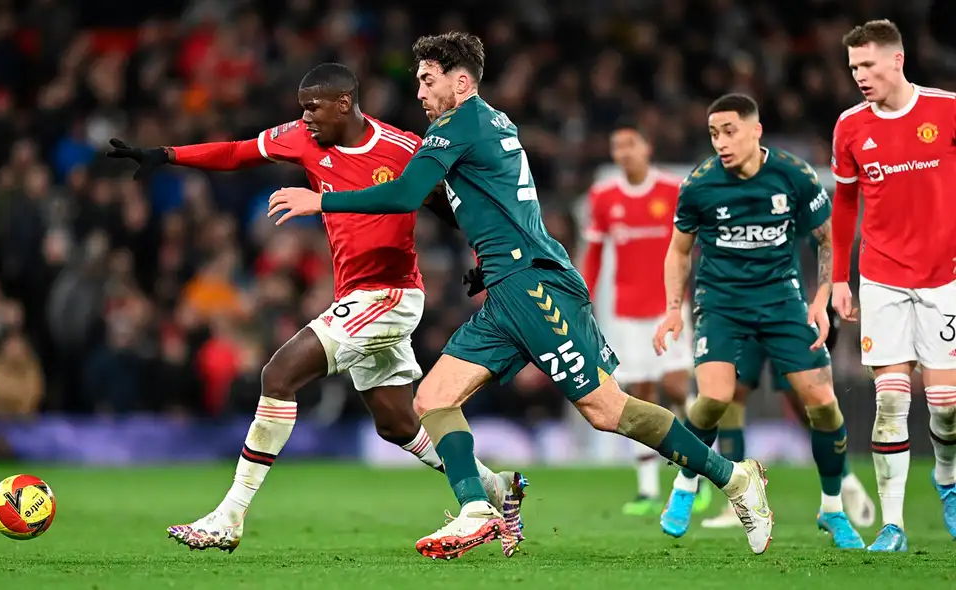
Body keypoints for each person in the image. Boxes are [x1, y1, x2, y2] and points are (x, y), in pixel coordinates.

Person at [268, 32, 773, 561]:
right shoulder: (485, 123)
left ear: (460, 82)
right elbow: (494, 203)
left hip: (534, 286)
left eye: (427, 79)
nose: (418, 91)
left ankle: (735, 478)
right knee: (433, 398)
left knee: (606, 410)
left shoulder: (459, 124)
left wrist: (320, 200)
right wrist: (486, 263)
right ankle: (476, 509)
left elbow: (403, 194)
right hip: (509, 286)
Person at [106, 63, 526, 555]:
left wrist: (485, 255)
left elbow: (450, 206)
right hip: (356, 295)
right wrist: (168, 154)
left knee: (278, 374)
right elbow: (238, 152)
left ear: (344, 103)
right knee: (395, 423)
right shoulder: (302, 139)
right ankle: (499, 488)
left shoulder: (404, 147)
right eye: (301, 108)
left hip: (389, 293)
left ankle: (230, 515)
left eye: (313, 108)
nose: (303, 118)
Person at [653, 93, 863, 549]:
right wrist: (673, 307)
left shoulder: (794, 175)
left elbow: (825, 239)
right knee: (712, 400)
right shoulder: (700, 185)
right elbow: (679, 250)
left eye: (729, 131)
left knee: (824, 405)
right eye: (713, 134)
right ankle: (685, 485)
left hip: (782, 301)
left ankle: (832, 509)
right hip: (721, 303)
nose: (721, 142)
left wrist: (822, 295)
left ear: (755, 130)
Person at [831, 19, 956, 552]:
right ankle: (893, 526)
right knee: (890, 402)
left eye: (869, 64)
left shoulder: (946, 109)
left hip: (944, 275)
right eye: (854, 67)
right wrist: (839, 278)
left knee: (947, 406)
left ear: (897, 60)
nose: (860, 75)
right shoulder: (850, 127)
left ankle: (947, 480)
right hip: (880, 278)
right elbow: (844, 204)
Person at [702, 237, 876, 530]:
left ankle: (843, 476)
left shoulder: (789, 192)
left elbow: (824, 241)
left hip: (788, 311)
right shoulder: (726, 194)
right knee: (732, 394)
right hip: (741, 310)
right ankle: (739, 500)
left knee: (804, 401)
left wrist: (825, 295)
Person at [580, 118, 706, 516]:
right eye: (617, 147)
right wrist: (582, 295)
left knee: (675, 387)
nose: (623, 153)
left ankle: (694, 476)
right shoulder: (603, 197)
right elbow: (596, 252)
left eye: (630, 144)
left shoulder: (672, 190)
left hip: (667, 307)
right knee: (639, 397)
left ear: (647, 148)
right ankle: (649, 489)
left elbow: (690, 249)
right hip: (626, 312)